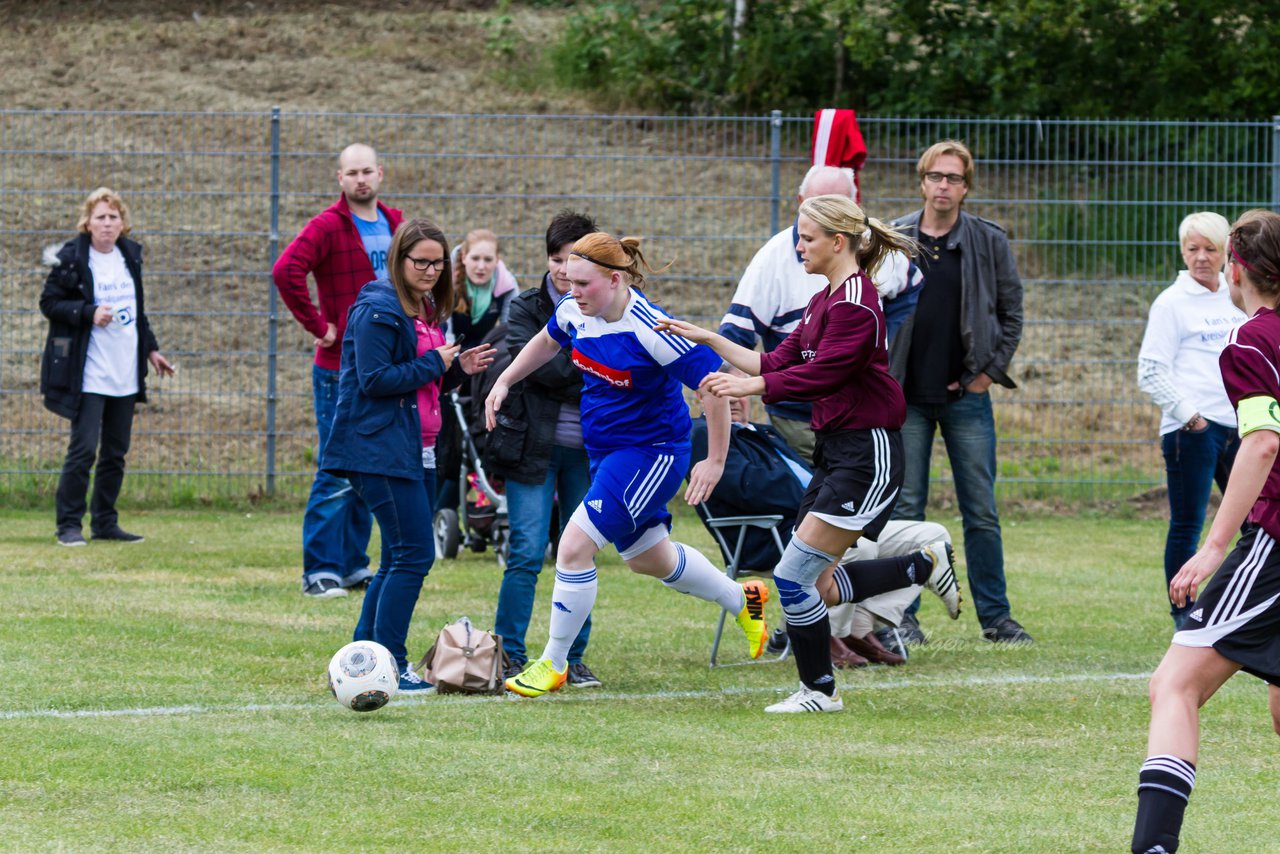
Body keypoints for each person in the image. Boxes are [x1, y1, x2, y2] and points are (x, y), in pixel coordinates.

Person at [659, 194, 961, 713]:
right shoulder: (825, 299)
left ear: (837, 242)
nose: (798, 246)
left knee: (791, 576)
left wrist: (747, 388)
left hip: (868, 454)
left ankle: (819, 692)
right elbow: (774, 357)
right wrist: (710, 338)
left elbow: (823, 374)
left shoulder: (857, 304)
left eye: (807, 237)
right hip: (838, 450)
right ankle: (919, 567)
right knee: (816, 583)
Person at [485, 231, 770, 698]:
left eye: (582, 283)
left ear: (615, 279)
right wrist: (505, 381)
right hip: (607, 453)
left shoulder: (651, 329)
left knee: (573, 546)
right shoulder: (576, 310)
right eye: (568, 282)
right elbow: (546, 341)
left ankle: (554, 662)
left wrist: (715, 460)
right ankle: (743, 598)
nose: (571, 292)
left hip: (652, 453)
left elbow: (714, 387)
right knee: (645, 559)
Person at [1130, 209, 1280, 854]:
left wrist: (1215, 546)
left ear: (1237, 268)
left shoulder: (1250, 342)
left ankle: (1154, 846)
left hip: (1276, 542)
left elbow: (1263, 442)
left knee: (1175, 683)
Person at [321, 219, 494, 692]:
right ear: (399, 260)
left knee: (399, 555)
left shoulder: (421, 307)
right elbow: (375, 379)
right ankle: (392, 663)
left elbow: (423, 383)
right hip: (379, 449)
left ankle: (361, 658)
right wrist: (435, 362)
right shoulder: (379, 307)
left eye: (439, 263)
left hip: (415, 447)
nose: (432, 271)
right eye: (422, 262)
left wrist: (457, 369)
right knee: (415, 554)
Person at [888, 139, 1031, 645]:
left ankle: (996, 618)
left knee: (982, 512)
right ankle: (900, 618)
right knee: (904, 512)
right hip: (904, 397)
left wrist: (987, 373)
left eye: (953, 178)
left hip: (967, 397)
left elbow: (1012, 313)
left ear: (966, 187)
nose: (943, 186)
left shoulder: (989, 241)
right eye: (935, 176)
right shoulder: (893, 238)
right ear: (922, 180)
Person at [719, 165, 922, 465]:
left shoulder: (854, 299)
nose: (823, 212)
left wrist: (883, 341)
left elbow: (824, 372)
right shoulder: (801, 281)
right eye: (816, 203)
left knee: (824, 505)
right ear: (801, 201)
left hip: (855, 426)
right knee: (806, 503)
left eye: (835, 204)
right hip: (799, 413)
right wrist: (709, 346)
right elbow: (758, 348)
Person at [272, 143, 403, 598]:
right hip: (339, 368)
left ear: (380, 174)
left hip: (385, 367)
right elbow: (286, 270)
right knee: (334, 466)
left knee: (366, 466)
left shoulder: (395, 224)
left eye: (368, 171)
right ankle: (320, 570)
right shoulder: (328, 226)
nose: (361, 179)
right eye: (353, 173)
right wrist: (318, 324)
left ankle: (352, 565)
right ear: (340, 178)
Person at [486, 211, 601, 688]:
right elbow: (540, 369)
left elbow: (612, 369)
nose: (562, 270)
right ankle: (510, 652)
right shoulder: (526, 307)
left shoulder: (608, 304)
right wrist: (589, 365)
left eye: (573, 259)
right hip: (532, 449)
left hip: (589, 451)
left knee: (580, 555)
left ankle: (572, 657)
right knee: (528, 552)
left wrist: (582, 365)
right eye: (556, 259)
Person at [39, 187, 175, 546]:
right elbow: (49, 302)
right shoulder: (72, 258)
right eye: (100, 217)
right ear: (87, 222)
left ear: (122, 223)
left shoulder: (129, 256)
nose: (107, 223)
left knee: (116, 452)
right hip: (88, 372)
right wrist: (87, 312)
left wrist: (151, 350)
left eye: (113, 217)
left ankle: (105, 522)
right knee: (83, 449)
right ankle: (68, 525)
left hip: (124, 372)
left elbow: (137, 310)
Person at [1137, 212, 1246, 629]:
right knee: (1188, 525)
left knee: (1256, 521)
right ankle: (1184, 613)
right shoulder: (1171, 303)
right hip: (1193, 432)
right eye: (1192, 249)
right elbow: (1150, 370)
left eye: (1210, 249)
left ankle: (1244, 604)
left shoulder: (1235, 298)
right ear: (1182, 251)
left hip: (1242, 429)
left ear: (1226, 254)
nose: (1201, 258)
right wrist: (1192, 418)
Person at [435, 228, 520, 535]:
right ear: (463, 259)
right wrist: (453, 370)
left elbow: (512, 330)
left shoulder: (506, 287)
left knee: (474, 443)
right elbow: (441, 330)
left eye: (488, 260)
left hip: (485, 367)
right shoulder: (448, 284)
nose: (481, 266)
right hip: (451, 366)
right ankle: (438, 509)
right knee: (449, 444)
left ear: (497, 261)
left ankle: (478, 503)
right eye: (475, 259)